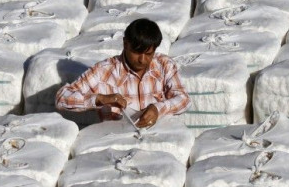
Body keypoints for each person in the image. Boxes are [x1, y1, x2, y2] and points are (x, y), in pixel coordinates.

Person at [55, 18, 190, 128]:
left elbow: (184, 99)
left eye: (148, 54)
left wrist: (158, 109)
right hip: (117, 141)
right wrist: (100, 99)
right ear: (125, 44)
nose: (142, 60)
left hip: (156, 139)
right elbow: (62, 98)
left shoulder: (164, 65)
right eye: (136, 52)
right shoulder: (104, 71)